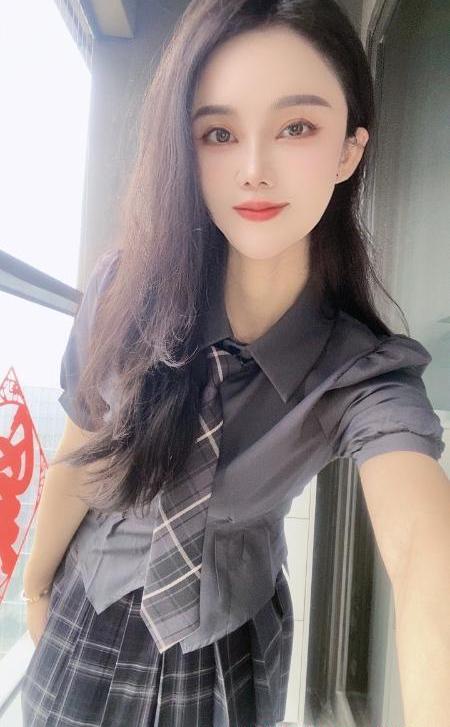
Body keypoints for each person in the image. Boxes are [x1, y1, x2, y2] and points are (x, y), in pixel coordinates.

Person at [21, 1, 448, 726]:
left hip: (230, 649)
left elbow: (422, 550)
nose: (253, 171)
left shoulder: (361, 372)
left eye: (297, 127)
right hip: (87, 610)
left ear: (349, 150)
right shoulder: (126, 293)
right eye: (218, 133)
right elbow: (83, 445)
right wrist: (36, 583)